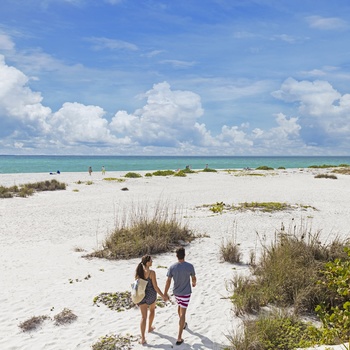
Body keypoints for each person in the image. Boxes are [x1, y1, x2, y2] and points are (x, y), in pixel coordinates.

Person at [164, 247, 196, 346]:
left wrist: (165, 293)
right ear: (184, 254)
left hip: (176, 293)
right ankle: (179, 337)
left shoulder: (172, 267)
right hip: (186, 293)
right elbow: (193, 278)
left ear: (176, 256)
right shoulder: (190, 266)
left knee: (179, 307)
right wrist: (194, 283)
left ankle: (183, 324)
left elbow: (168, 281)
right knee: (183, 313)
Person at [135, 255, 166, 345]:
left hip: (141, 296)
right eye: (151, 261)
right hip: (151, 296)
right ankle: (149, 328)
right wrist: (163, 295)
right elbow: (155, 287)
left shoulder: (139, 272)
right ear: (147, 262)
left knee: (143, 317)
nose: (152, 262)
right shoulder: (151, 272)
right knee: (152, 310)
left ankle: (143, 338)